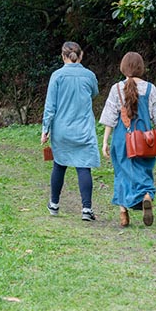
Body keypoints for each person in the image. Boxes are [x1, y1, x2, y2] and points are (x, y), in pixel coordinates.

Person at [99, 52, 156, 227]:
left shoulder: (116, 89)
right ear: (141, 68)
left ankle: (123, 213)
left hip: (122, 139)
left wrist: (105, 141)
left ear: (123, 67)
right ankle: (146, 196)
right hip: (145, 139)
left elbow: (110, 118)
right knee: (144, 171)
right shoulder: (150, 88)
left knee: (121, 173)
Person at [41, 41, 101, 221]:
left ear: (63, 56)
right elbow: (95, 93)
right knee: (84, 167)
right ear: (80, 56)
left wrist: (45, 129)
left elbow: (50, 106)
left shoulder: (57, 76)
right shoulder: (89, 75)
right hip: (83, 129)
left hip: (61, 129)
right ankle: (87, 209)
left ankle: (54, 204)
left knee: (59, 164)